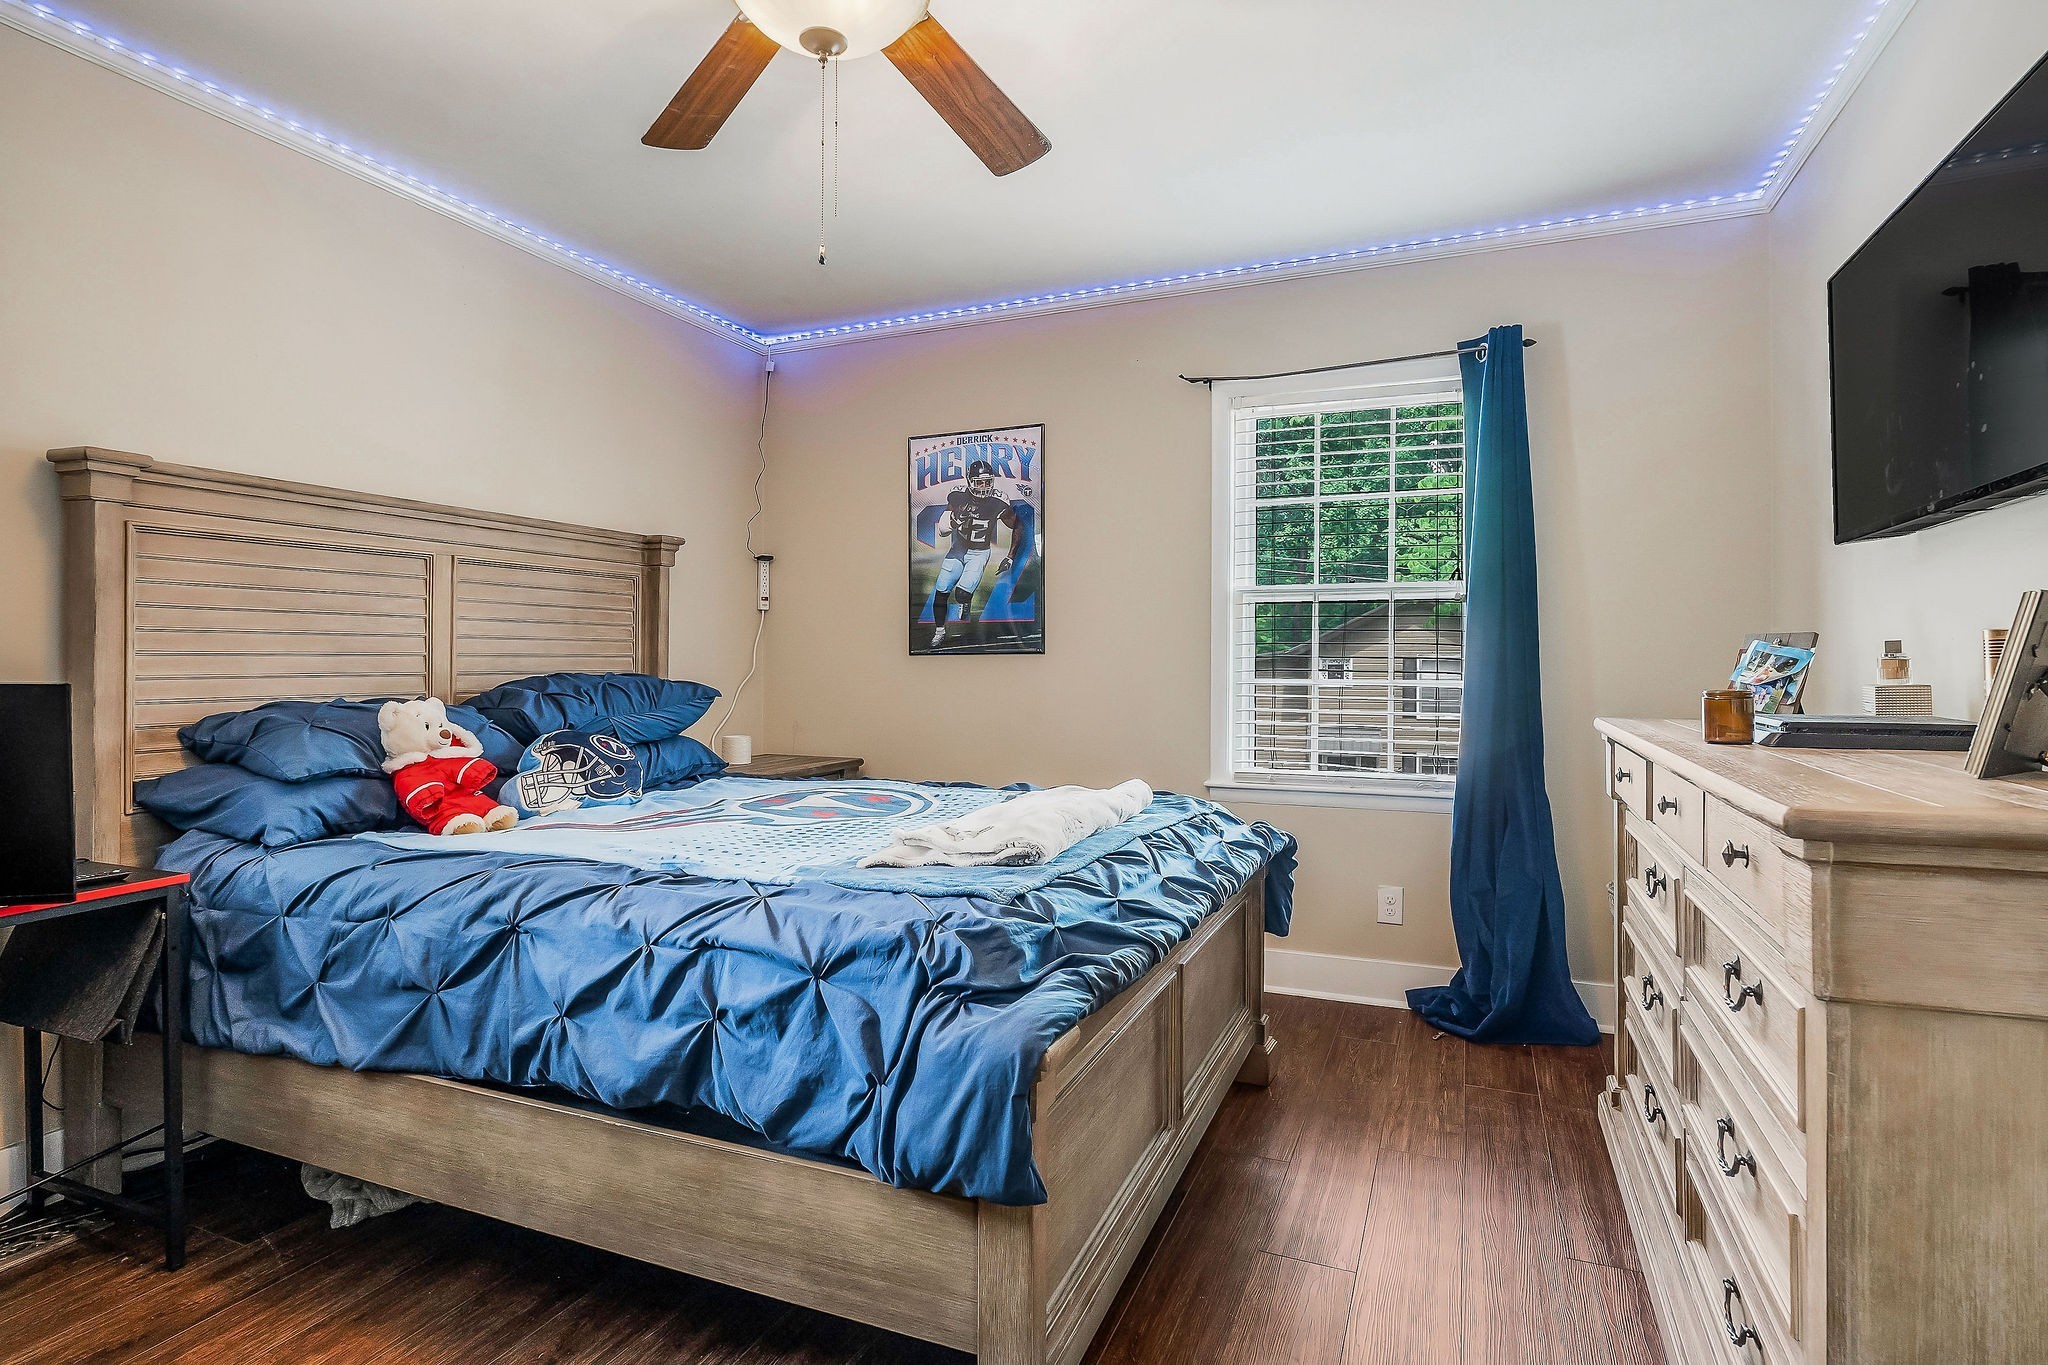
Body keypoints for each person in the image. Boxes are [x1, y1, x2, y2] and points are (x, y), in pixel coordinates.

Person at [925, 459, 1019, 648]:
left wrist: (1010, 556)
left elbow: (1018, 525)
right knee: (941, 591)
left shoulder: (999, 502)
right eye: (979, 482)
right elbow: (942, 530)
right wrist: (954, 519)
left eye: (987, 482)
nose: (984, 486)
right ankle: (939, 631)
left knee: (961, 593)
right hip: (958, 550)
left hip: (979, 552)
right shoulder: (958, 496)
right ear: (969, 481)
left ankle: (964, 601)